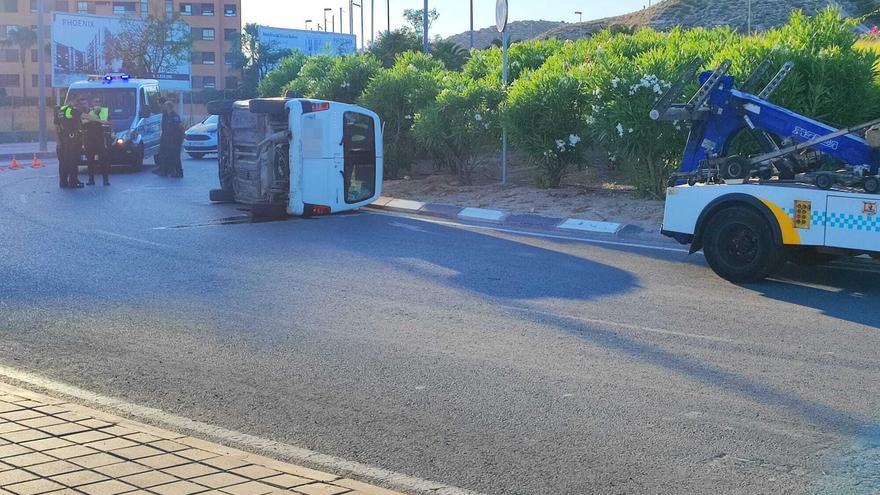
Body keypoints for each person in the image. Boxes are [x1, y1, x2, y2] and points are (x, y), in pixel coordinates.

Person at [55, 97, 88, 188]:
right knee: (73, 160)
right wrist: (98, 120)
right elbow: (84, 116)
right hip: (72, 139)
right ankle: (73, 182)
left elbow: (57, 127)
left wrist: (58, 141)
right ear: (71, 101)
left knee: (63, 162)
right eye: (75, 101)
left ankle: (63, 182)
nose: (76, 104)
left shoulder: (59, 111)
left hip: (62, 139)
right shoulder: (71, 110)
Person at [83, 97, 111, 186]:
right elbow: (82, 122)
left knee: (103, 160)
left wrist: (97, 114)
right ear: (92, 103)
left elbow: (107, 122)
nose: (97, 103)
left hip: (101, 139)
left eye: (98, 101)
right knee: (90, 161)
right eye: (95, 101)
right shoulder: (88, 111)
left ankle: (105, 180)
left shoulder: (105, 111)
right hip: (89, 139)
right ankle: (91, 180)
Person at [155, 100, 184, 178]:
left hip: (175, 140)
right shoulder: (166, 115)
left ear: (169, 107)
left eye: (165, 106)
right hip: (167, 140)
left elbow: (180, 128)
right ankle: (167, 171)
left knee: (175, 157)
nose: (164, 107)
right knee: (166, 156)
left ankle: (179, 172)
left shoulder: (175, 116)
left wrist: (179, 140)